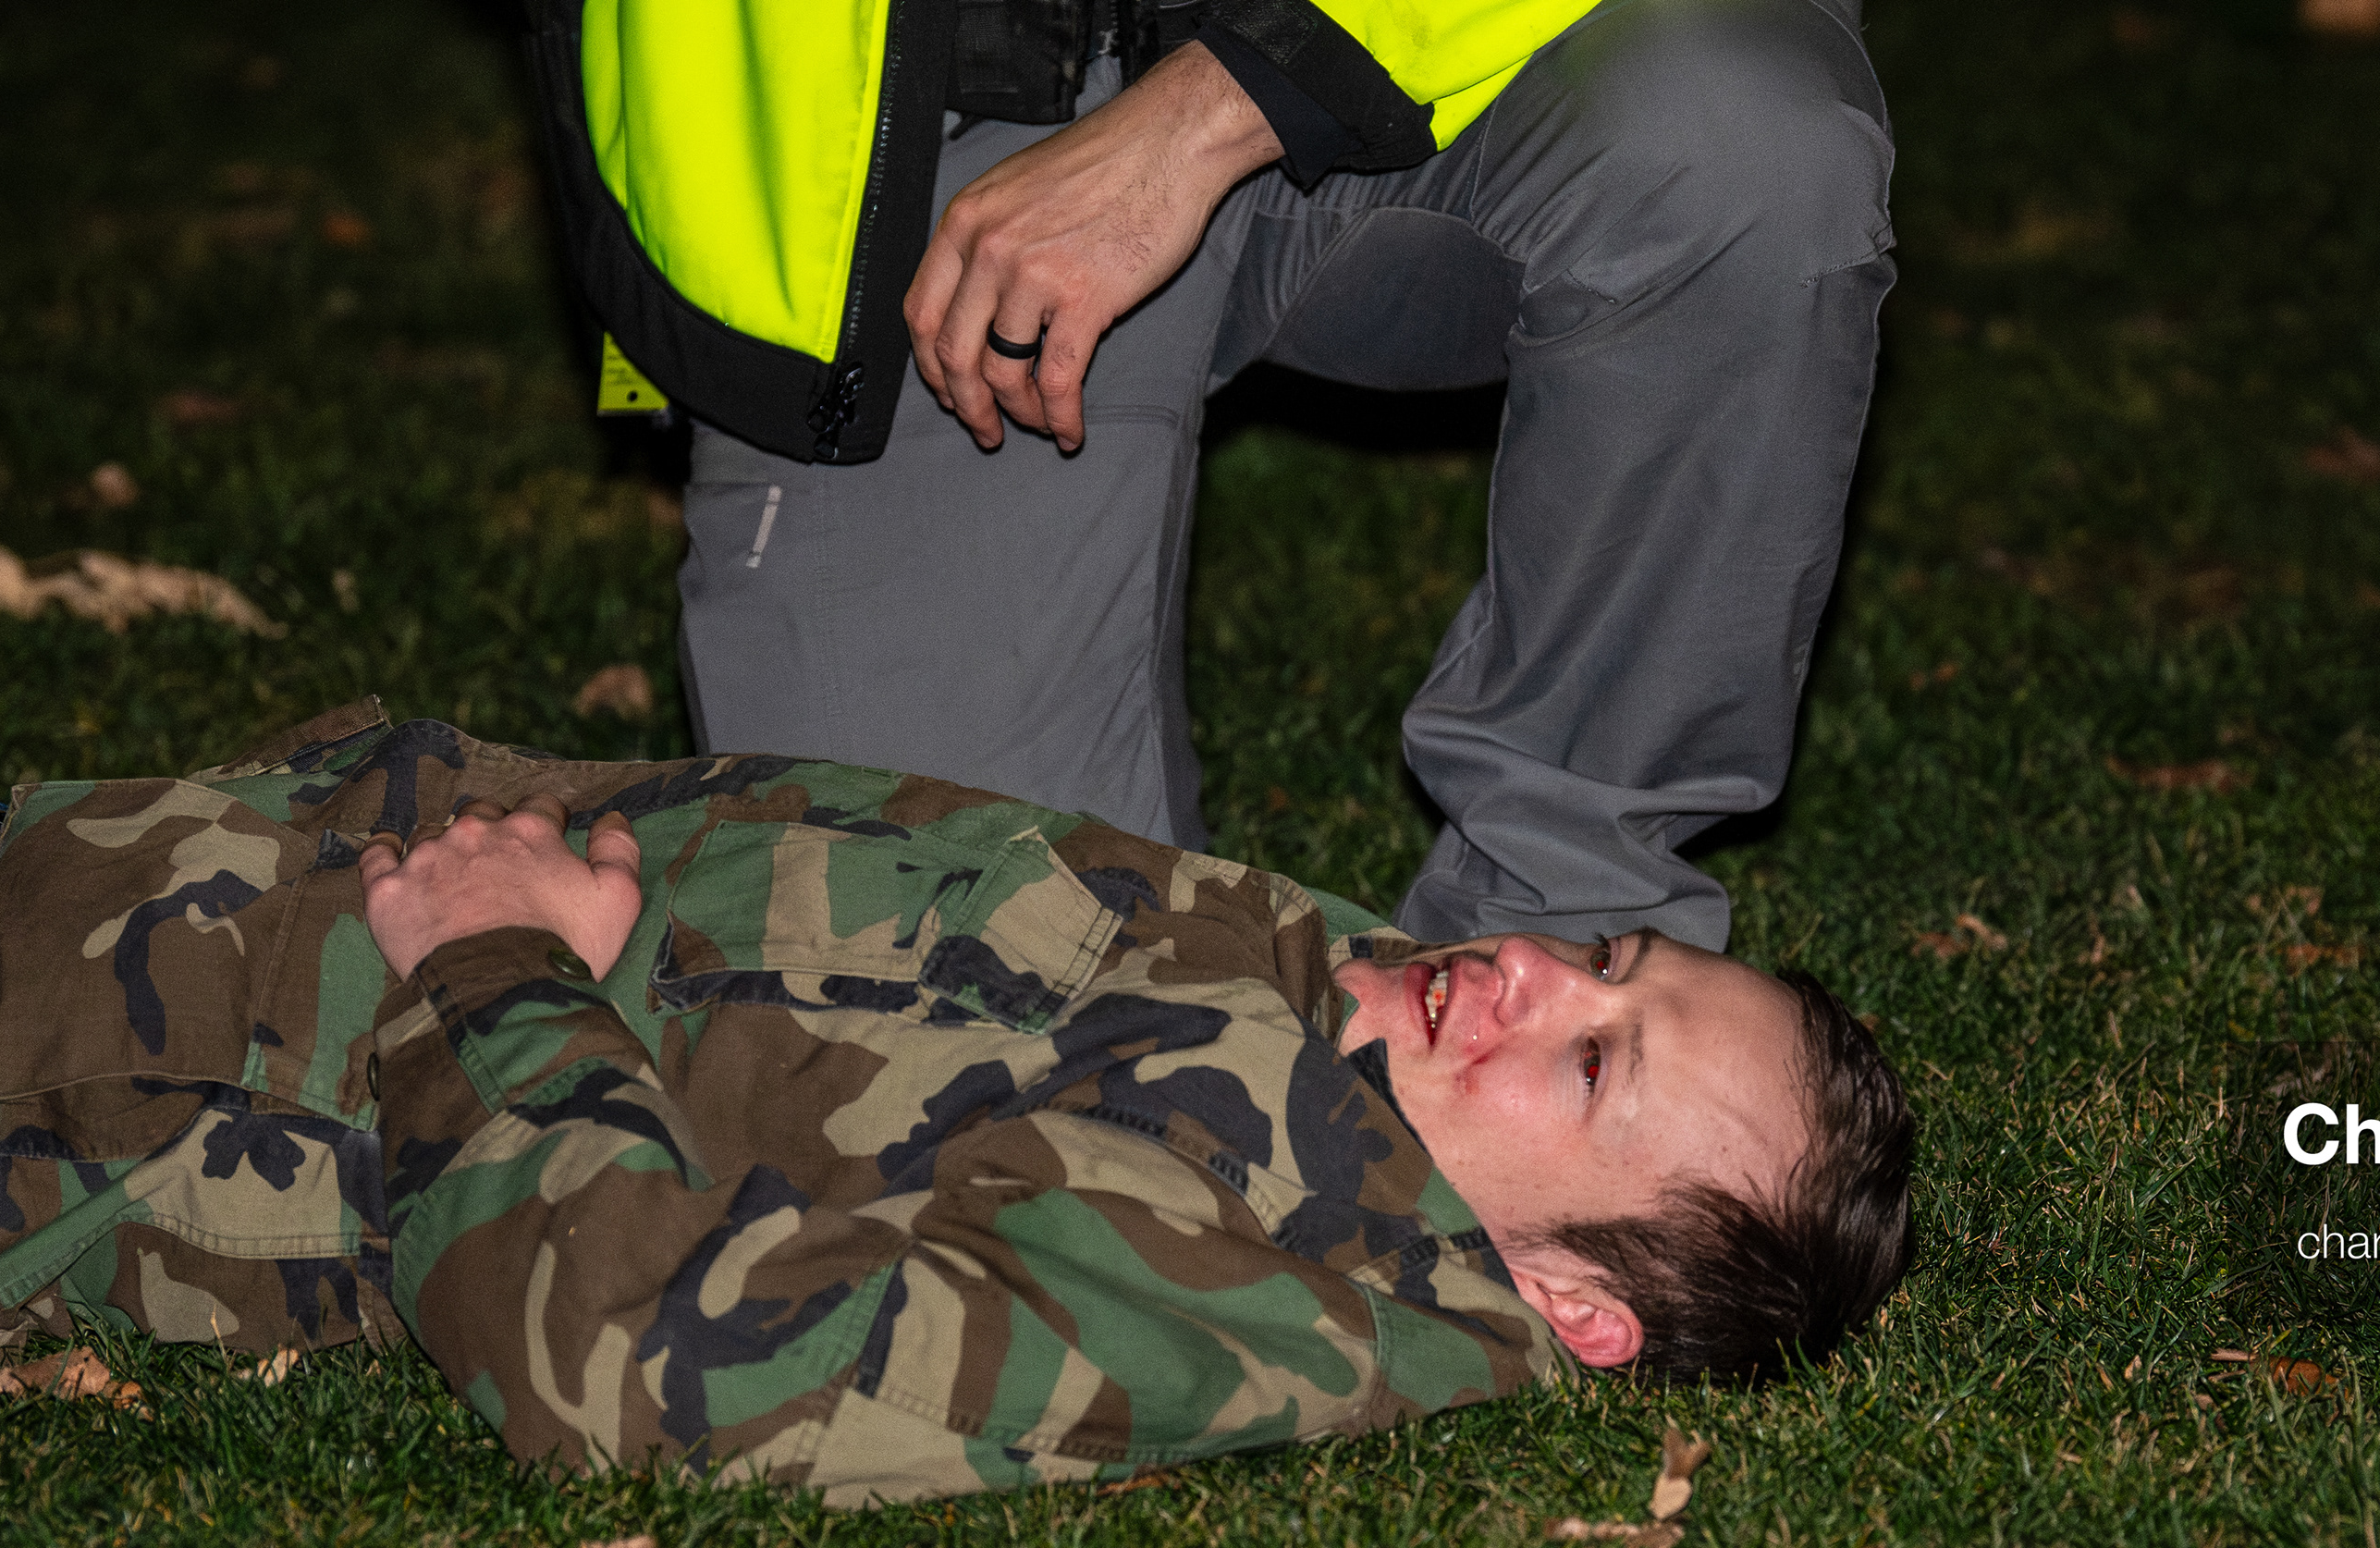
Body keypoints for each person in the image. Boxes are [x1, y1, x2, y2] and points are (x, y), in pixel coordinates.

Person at [0, 704, 1913, 1505]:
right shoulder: (1367, 1027)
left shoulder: (1244, 1286)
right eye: (1616, 963)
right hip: (8, 851)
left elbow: (658, 1382)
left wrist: (498, 967)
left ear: (1578, 1307)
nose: (1539, 969)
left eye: (1591, 1058)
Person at [528, 0, 1895, 953]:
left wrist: (1225, 98)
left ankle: (1565, 918)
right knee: (961, 1020)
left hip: (1429, 63)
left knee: (1742, 140)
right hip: (906, 151)